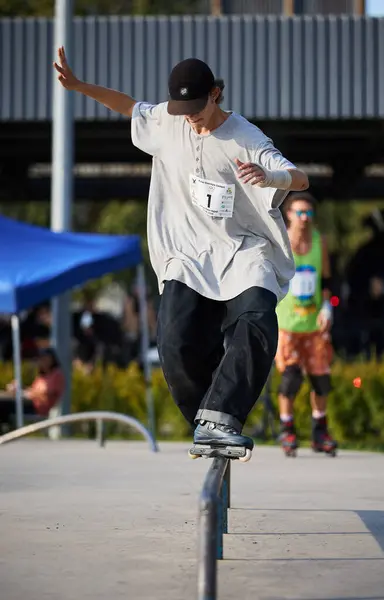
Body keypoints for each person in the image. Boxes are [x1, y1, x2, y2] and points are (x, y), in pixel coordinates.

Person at [53, 48, 309, 458]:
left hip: (244, 248)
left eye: (197, 107)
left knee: (256, 320)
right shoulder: (169, 122)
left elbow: (300, 177)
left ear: (217, 94)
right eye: (183, 108)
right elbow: (127, 105)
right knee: (173, 342)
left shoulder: (245, 137)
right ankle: (208, 419)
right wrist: (80, 87)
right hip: (187, 253)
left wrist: (269, 175)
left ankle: (222, 413)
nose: (190, 116)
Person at [275, 192, 337, 456]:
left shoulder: (319, 242)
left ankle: (319, 430)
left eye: (308, 213)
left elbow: (326, 280)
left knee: (321, 380)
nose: (304, 218)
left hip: (314, 324)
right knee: (290, 380)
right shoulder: (280, 241)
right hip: (287, 325)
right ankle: (287, 429)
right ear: (288, 215)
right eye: (299, 213)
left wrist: (327, 307)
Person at [4, 347, 65, 421]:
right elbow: (32, 390)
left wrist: (28, 393)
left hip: (39, 409)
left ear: (52, 360)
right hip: (30, 404)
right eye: (41, 359)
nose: (42, 361)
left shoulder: (56, 374)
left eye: (45, 359)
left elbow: (49, 393)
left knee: (4, 407)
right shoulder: (41, 376)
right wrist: (21, 387)